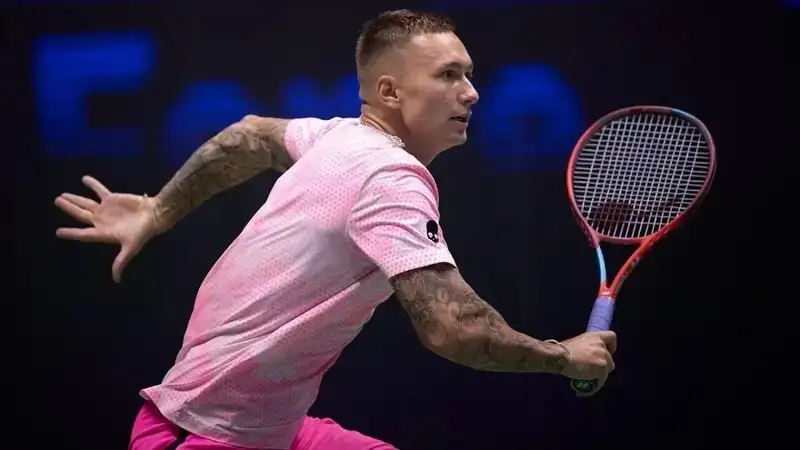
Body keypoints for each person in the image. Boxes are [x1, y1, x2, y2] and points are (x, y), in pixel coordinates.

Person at [54, 9, 617, 450]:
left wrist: (157, 211)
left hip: (265, 428)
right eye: (449, 75)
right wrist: (561, 356)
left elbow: (247, 136)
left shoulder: (339, 136)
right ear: (390, 92)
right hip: (206, 436)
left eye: (469, 74)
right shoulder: (390, 177)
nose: (471, 92)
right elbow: (454, 328)